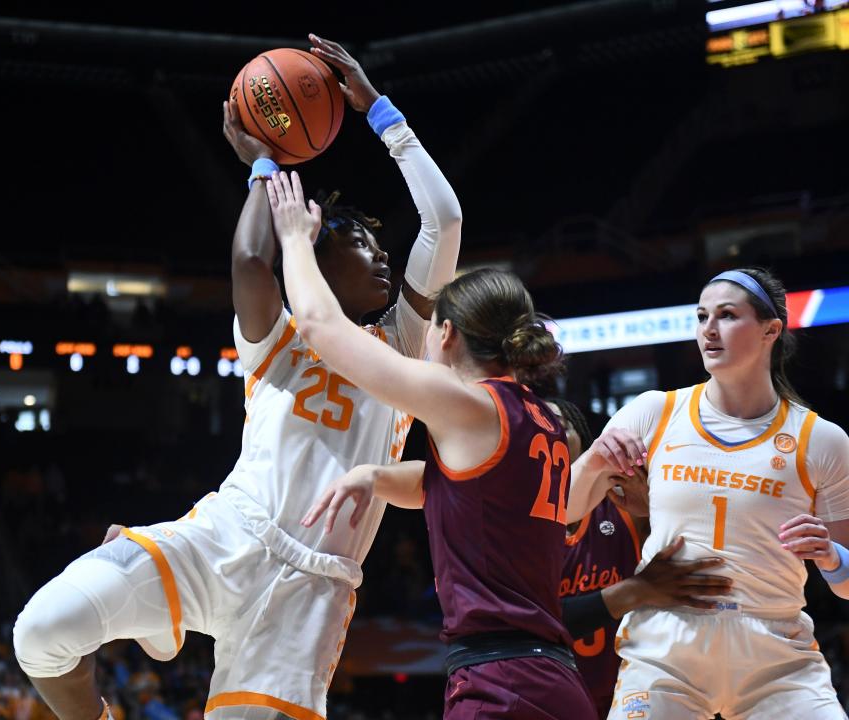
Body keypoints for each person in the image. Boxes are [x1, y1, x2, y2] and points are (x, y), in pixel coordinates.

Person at [12, 34, 462, 720]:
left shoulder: (401, 346)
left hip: (311, 589)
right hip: (227, 533)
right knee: (40, 634)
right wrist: (262, 167)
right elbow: (252, 265)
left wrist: (378, 111)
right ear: (313, 252)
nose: (383, 257)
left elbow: (445, 219)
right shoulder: (276, 339)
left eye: (382, 246)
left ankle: (161, 626)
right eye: (362, 243)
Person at [270, 171, 598, 719]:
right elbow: (462, 490)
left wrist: (294, 242)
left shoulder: (466, 401)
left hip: (500, 683)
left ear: (444, 335)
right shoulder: (543, 420)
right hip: (557, 681)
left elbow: (320, 325)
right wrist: (374, 476)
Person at [567, 267, 849, 719]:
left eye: (727, 316)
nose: (709, 330)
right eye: (701, 317)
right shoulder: (654, 411)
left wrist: (831, 556)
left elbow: (848, 586)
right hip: (666, 645)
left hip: (777, 652)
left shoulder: (822, 439)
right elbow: (563, 512)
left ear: (771, 330)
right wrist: (594, 460)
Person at [550, 399, 731, 719]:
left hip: (633, 688)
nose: (548, 431)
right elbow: (531, 622)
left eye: (559, 423)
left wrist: (656, 507)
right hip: (551, 693)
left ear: (582, 436)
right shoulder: (510, 522)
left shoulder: (622, 502)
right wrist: (636, 589)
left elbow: (701, 546)